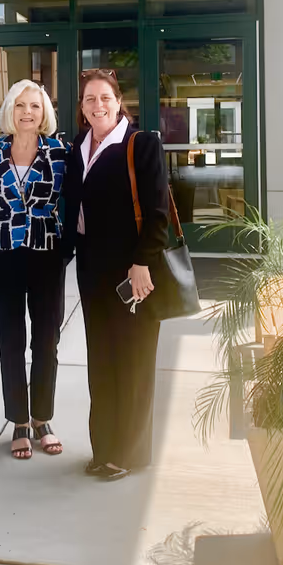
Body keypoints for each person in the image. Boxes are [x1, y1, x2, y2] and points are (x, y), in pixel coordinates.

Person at [62, 69, 170, 482]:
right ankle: (103, 447)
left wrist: (143, 261)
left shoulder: (140, 144)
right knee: (102, 363)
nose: (97, 105)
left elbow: (158, 211)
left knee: (134, 362)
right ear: (82, 106)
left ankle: (129, 452)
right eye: (89, 99)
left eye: (104, 97)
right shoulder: (78, 146)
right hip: (92, 270)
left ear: (118, 101)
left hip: (133, 273)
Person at [0, 80, 69, 460]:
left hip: (47, 254)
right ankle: (18, 420)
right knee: (11, 341)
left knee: (46, 341)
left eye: (34, 105)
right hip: (3, 254)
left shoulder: (60, 152)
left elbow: (79, 199)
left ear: (44, 111)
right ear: (9, 112)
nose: (27, 112)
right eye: (20, 106)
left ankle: (42, 419)